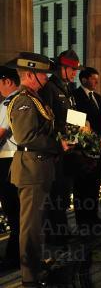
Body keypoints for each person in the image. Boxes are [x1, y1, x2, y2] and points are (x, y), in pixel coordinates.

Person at [6, 52, 68, 287]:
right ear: (31, 75)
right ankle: (29, 276)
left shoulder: (34, 98)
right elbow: (26, 136)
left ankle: (35, 263)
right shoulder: (23, 100)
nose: (46, 77)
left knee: (37, 223)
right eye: (42, 73)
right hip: (31, 169)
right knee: (30, 226)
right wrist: (57, 145)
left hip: (39, 168)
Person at [39, 49, 83, 242]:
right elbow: (47, 119)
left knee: (64, 192)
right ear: (62, 68)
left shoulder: (67, 88)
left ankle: (62, 229)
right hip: (57, 148)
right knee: (56, 193)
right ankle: (55, 233)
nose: (75, 73)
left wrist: (82, 127)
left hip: (68, 147)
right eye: (72, 69)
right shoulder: (49, 88)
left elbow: (71, 115)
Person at [72, 67, 101, 227]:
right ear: (84, 79)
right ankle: (82, 219)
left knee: (95, 183)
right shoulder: (75, 96)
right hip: (84, 148)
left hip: (97, 146)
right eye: (94, 79)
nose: (97, 82)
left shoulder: (98, 98)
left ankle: (94, 215)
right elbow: (74, 122)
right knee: (82, 185)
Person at [0, 66, 21, 271]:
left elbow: (1, 132)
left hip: (8, 160)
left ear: (7, 81)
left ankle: (14, 258)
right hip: (14, 160)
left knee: (13, 211)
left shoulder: (9, 102)